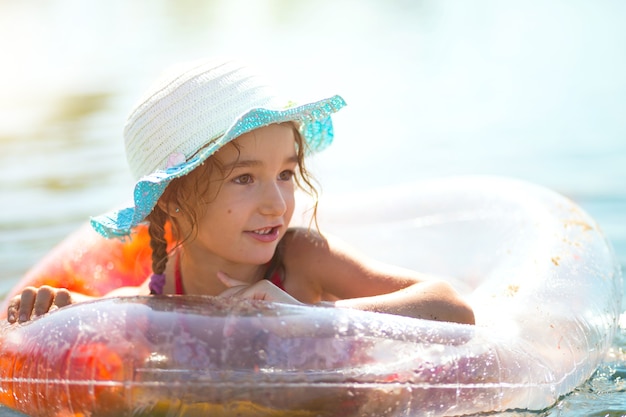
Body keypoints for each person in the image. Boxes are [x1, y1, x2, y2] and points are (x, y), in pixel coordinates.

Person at [7, 58, 475, 325]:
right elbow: (133, 310)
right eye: (245, 179)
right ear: (171, 198)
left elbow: (451, 306)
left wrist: (304, 317)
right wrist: (67, 308)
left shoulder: (300, 259)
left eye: (287, 174)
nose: (277, 202)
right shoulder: (166, 288)